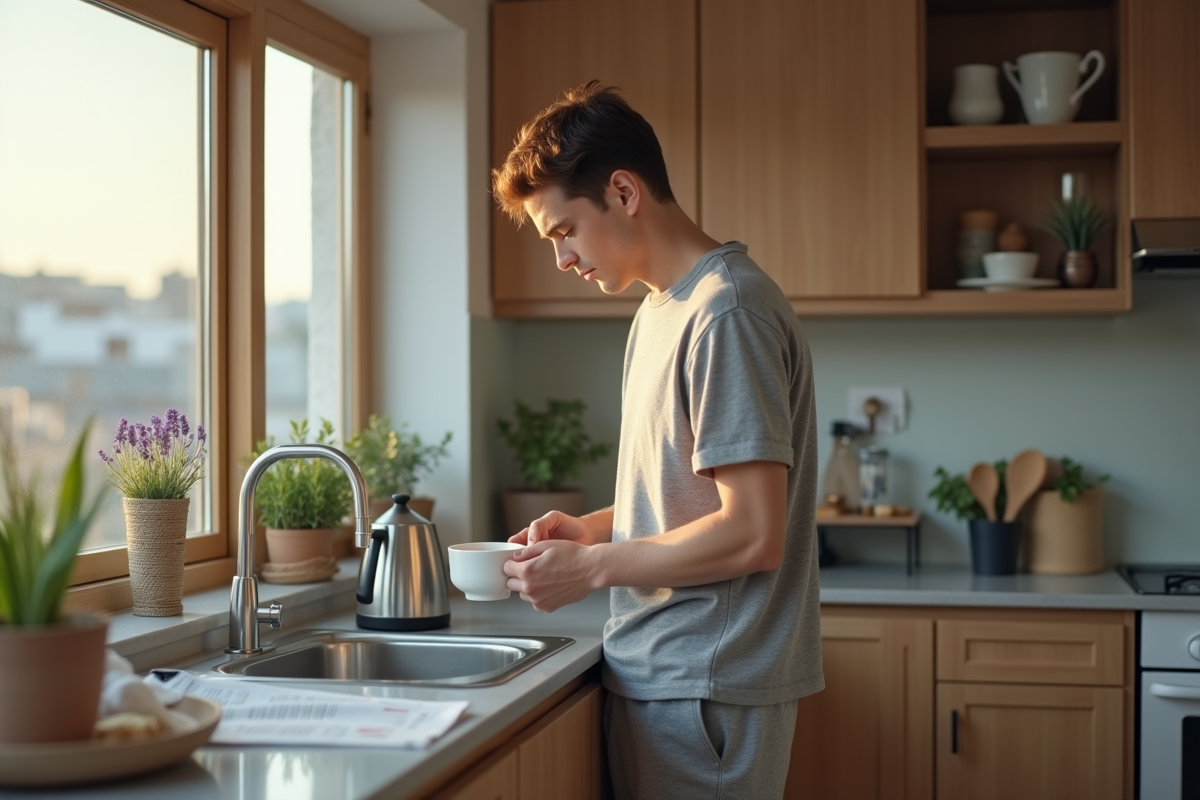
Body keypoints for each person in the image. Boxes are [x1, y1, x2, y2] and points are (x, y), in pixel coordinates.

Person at [491, 81, 823, 799]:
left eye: (564, 231)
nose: (562, 258)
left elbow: (753, 534)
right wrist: (589, 531)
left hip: (708, 685)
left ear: (622, 191)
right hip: (667, 674)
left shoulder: (727, 312)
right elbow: (688, 499)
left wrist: (592, 569)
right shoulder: (659, 310)